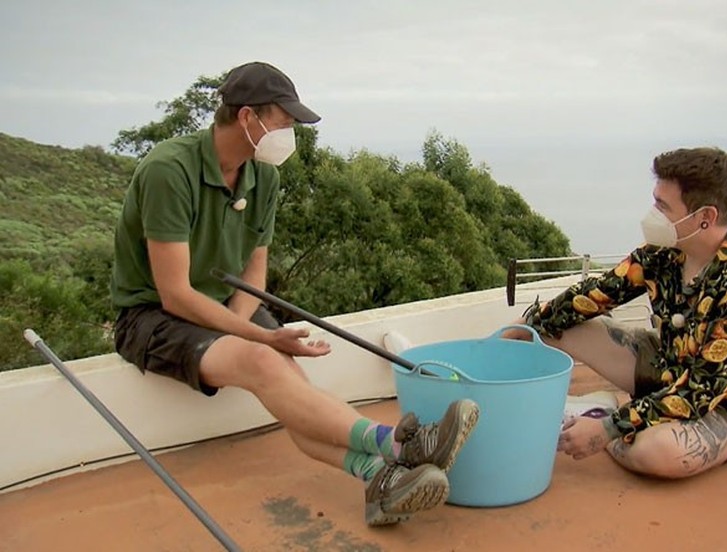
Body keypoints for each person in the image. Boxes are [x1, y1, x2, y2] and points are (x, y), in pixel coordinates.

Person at [109, 61, 479, 526]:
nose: (289, 137)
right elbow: (175, 295)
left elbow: (254, 274)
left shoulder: (263, 177)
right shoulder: (170, 170)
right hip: (152, 317)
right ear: (248, 118)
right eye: (284, 124)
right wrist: (259, 339)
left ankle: (376, 478)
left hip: (225, 305)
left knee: (295, 394)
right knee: (266, 362)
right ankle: (401, 445)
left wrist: (248, 330)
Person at [504, 147, 727, 479]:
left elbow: (697, 394)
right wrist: (524, 325)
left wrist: (606, 429)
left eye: (663, 206)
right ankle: (619, 418)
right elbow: (595, 295)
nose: (652, 214)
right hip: (672, 366)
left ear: (706, 216)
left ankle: (605, 415)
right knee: (555, 326)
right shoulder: (665, 252)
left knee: (655, 453)